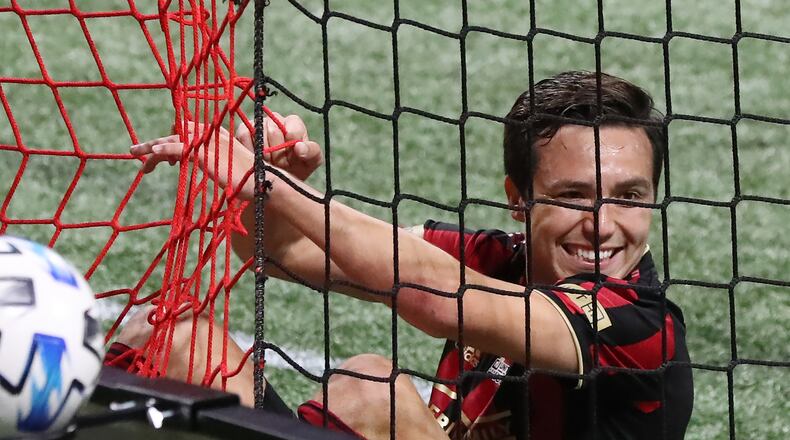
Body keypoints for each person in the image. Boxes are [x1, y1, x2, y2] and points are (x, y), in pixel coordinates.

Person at [109, 71, 693, 439]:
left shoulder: (642, 327)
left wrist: (273, 188)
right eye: (572, 197)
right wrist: (277, 199)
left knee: (372, 392)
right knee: (174, 337)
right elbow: (280, 253)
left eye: (630, 197)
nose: (603, 226)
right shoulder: (499, 259)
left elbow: (436, 298)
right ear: (519, 200)